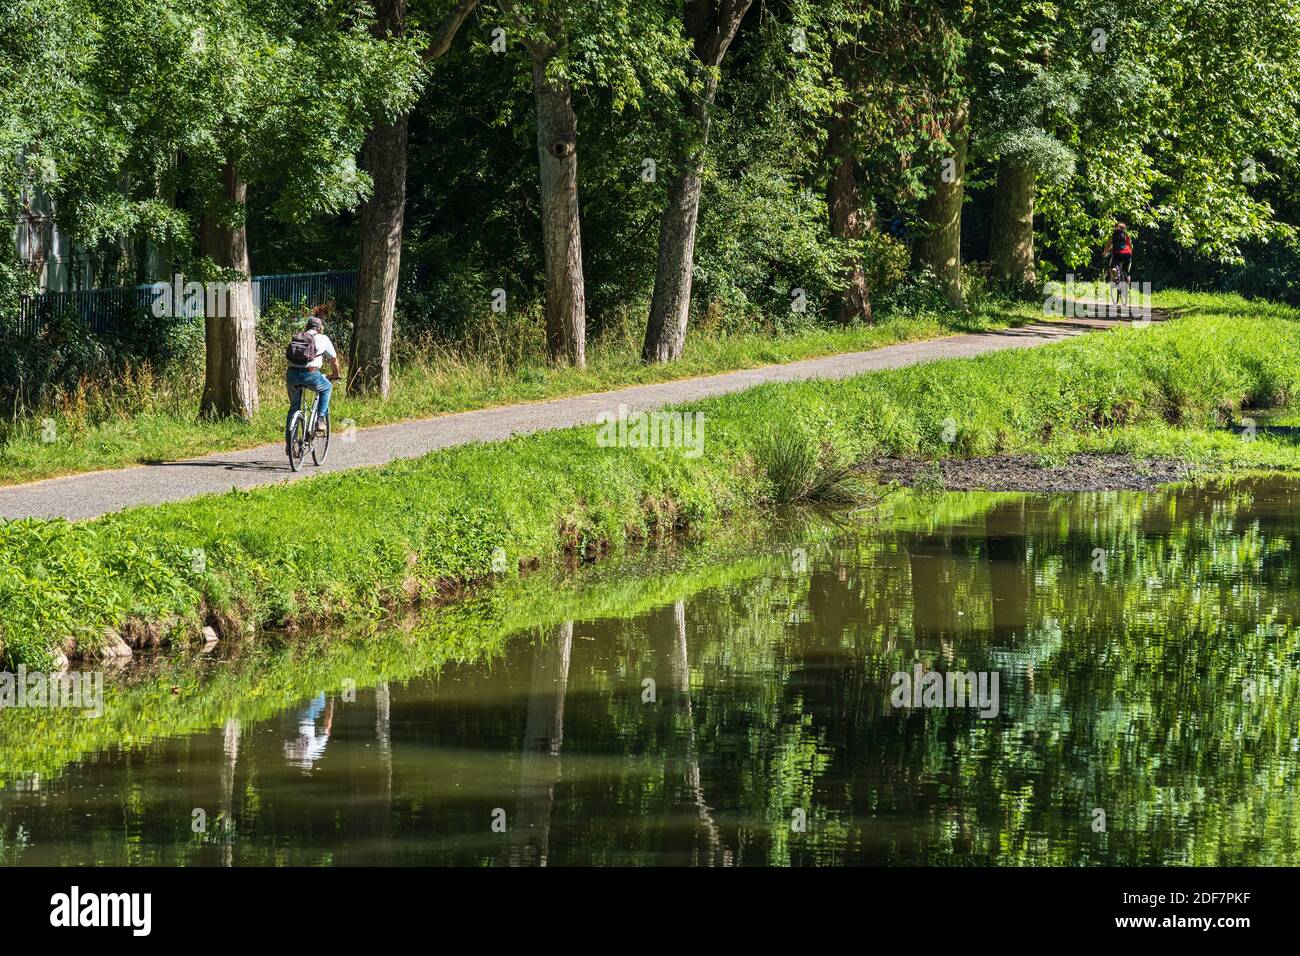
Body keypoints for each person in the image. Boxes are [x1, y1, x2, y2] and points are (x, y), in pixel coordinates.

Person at [286, 306, 341, 439]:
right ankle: (320, 420)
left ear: (307, 327)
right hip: (311, 374)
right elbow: (334, 360)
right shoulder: (323, 338)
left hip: (291, 374)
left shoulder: (297, 337)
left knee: (294, 407)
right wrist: (336, 375)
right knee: (327, 388)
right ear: (320, 328)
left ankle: (289, 442)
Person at [1103, 221, 1134, 288]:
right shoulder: (1127, 236)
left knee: (1112, 268)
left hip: (1117, 254)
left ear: (1116, 228)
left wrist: (1105, 252)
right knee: (1127, 272)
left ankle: (1117, 279)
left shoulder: (1113, 235)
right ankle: (1127, 289)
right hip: (1128, 255)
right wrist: (1130, 254)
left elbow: (1108, 245)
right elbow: (1131, 246)